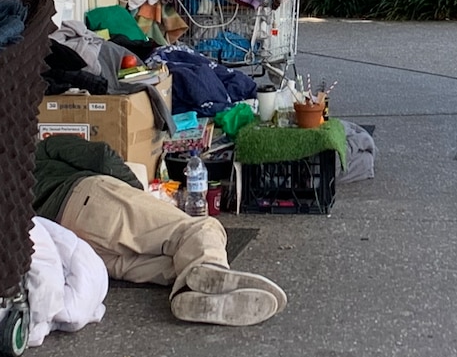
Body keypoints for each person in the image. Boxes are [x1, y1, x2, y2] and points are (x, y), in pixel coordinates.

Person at [32, 135, 288, 327]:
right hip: (86, 199)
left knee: (171, 263)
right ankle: (213, 268)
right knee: (196, 229)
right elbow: (101, 156)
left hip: (65, 244)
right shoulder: (41, 149)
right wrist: (136, 193)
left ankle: (189, 294)